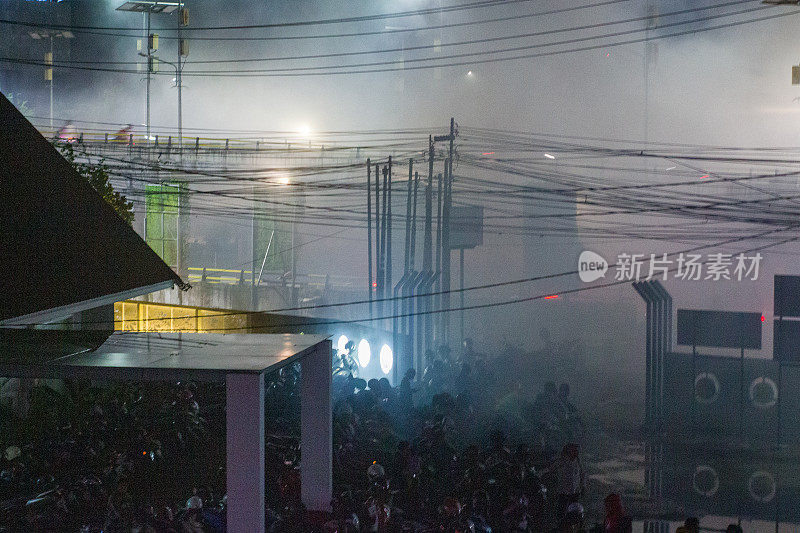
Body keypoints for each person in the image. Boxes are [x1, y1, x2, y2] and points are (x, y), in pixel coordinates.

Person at [551, 443, 584, 520]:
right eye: (574, 451)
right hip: (564, 492)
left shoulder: (578, 462)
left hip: (575, 492)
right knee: (561, 512)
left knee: (574, 511)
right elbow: (551, 469)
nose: (576, 452)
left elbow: (582, 474)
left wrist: (583, 486)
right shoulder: (562, 461)